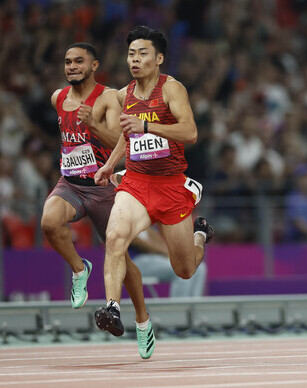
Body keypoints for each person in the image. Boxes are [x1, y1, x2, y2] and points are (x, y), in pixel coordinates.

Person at [93, 26, 213, 349]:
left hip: (171, 186)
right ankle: (113, 308)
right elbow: (126, 134)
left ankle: (200, 234)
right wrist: (109, 164)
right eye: (131, 54)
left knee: (185, 269)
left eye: (142, 53)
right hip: (136, 182)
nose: (135, 59)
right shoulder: (124, 94)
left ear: (158, 58)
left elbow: (190, 133)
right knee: (115, 237)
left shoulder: (172, 90)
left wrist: (147, 124)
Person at [41, 42, 154, 359]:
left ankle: (143, 322)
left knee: (123, 261)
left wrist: (92, 125)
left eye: (79, 61)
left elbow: (123, 140)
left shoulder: (108, 97)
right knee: (49, 222)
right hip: (71, 183)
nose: (72, 66)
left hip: (104, 188)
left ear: (94, 66)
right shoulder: (58, 98)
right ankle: (80, 269)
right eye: (67, 62)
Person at [131, 226, 207, 298]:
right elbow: (146, 246)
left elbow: (162, 245)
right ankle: (178, 309)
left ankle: (193, 308)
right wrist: (168, 254)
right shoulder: (124, 223)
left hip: (155, 259)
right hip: (135, 262)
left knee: (199, 268)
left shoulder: (144, 225)